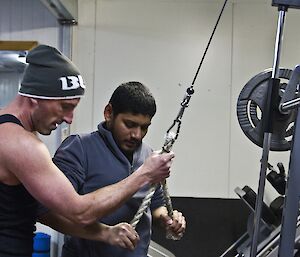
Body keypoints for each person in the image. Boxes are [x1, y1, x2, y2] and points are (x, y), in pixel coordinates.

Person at [0, 45, 175, 257]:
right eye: (65, 107)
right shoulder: (22, 144)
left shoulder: (10, 133)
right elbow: (79, 212)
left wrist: (105, 234)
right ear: (36, 97)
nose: (69, 118)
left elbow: (43, 211)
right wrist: (145, 174)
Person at [49, 81, 186, 257]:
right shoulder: (79, 149)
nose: (136, 134)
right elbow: (55, 213)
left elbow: (156, 204)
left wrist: (167, 219)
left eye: (144, 127)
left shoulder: (148, 155)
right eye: (129, 124)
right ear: (109, 113)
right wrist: (105, 233)